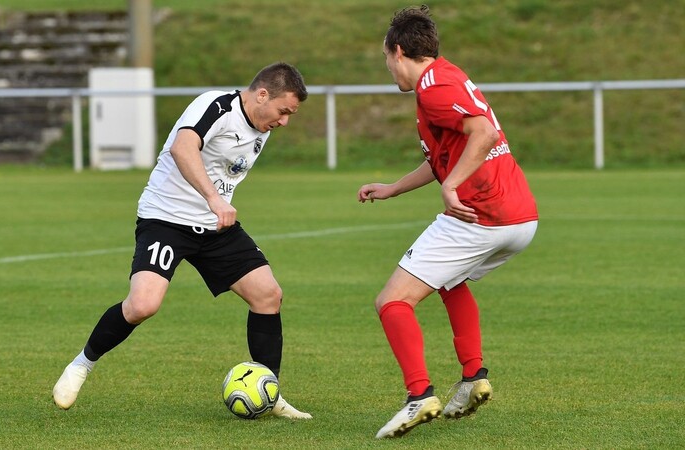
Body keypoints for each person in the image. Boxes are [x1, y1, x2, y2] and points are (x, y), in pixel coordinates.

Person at [53, 62, 312, 419]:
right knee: (142, 305)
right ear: (262, 94)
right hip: (166, 220)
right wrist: (214, 199)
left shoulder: (262, 128)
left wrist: (215, 205)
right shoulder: (216, 106)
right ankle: (81, 365)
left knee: (268, 294)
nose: (284, 122)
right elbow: (182, 148)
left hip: (214, 227)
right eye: (284, 111)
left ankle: (268, 388)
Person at [357, 6, 539, 439]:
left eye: (386, 59)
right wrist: (393, 188)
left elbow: (485, 135)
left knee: (392, 302)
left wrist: (451, 186)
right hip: (519, 217)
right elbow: (446, 155)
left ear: (397, 51)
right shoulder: (449, 77)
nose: (388, 70)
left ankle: (418, 395)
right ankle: (474, 375)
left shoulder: (433, 88)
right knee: (449, 280)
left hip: (481, 214)